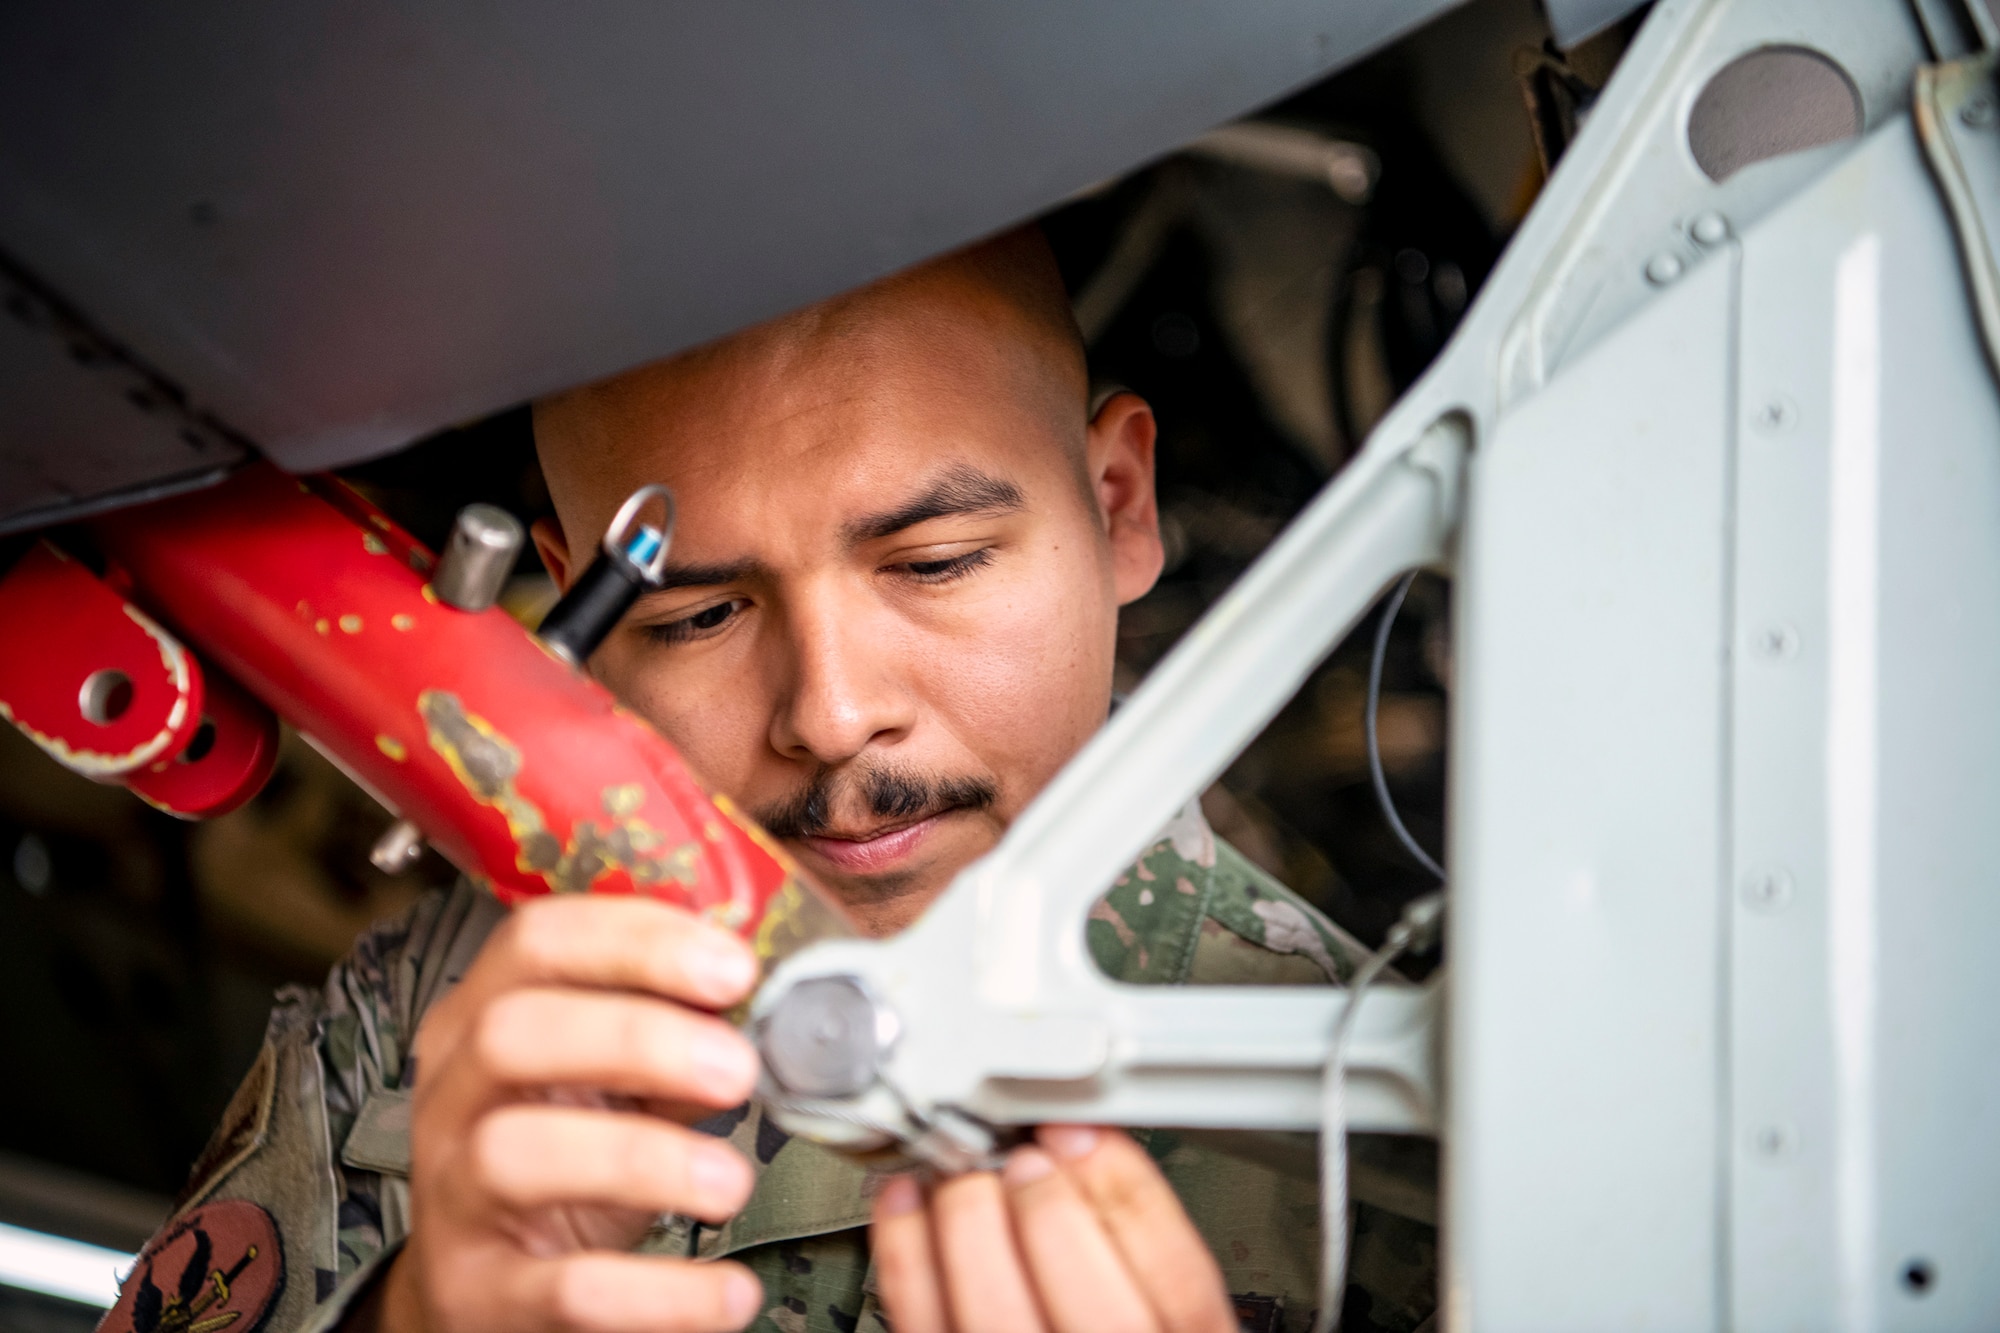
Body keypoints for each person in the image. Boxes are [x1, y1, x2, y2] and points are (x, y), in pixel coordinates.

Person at [113, 229, 1437, 1333]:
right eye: (696, 617)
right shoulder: (418, 1038)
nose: (831, 712)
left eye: (936, 563)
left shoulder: (1412, 1139)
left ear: (1119, 506)